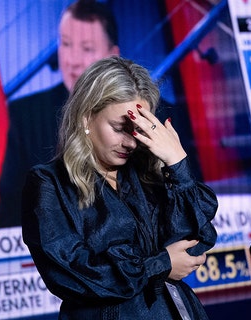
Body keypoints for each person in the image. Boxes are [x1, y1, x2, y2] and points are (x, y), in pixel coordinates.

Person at [21, 56, 217, 319]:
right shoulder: (50, 183)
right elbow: (70, 275)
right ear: (86, 119)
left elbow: (197, 240)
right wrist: (158, 264)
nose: (130, 143)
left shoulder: (146, 172)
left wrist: (176, 163)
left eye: (136, 130)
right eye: (119, 128)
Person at [0, 0, 120, 228]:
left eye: (87, 48)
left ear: (112, 56)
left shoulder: (153, 113)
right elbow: (11, 214)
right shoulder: (27, 116)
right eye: (66, 44)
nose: (71, 60)